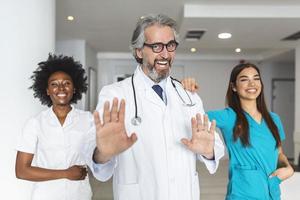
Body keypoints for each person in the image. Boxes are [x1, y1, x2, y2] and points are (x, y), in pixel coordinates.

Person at [92, 14, 225, 200]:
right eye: (156, 46)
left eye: (170, 45)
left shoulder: (189, 95)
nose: (165, 54)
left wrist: (208, 150)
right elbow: (97, 158)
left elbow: (215, 146)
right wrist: (103, 153)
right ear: (139, 51)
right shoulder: (115, 94)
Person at [182, 63, 294, 200]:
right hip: (243, 193)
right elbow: (190, 118)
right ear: (234, 87)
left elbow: (279, 153)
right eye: (244, 79)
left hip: (272, 192)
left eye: (256, 78)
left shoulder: (274, 119)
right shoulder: (228, 116)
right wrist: (186, 92)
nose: (252, 83)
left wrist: (288, 168)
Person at [15, 54, 106, 200]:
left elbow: (99, 156)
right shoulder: (35, 123)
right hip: (45, 196)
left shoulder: (88, 119)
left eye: (66, 83)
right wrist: (65, 173)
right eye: (54, 84)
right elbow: (21, 171)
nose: (61, 88)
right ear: (47, 91)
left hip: (80, 195)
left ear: (75, 88)